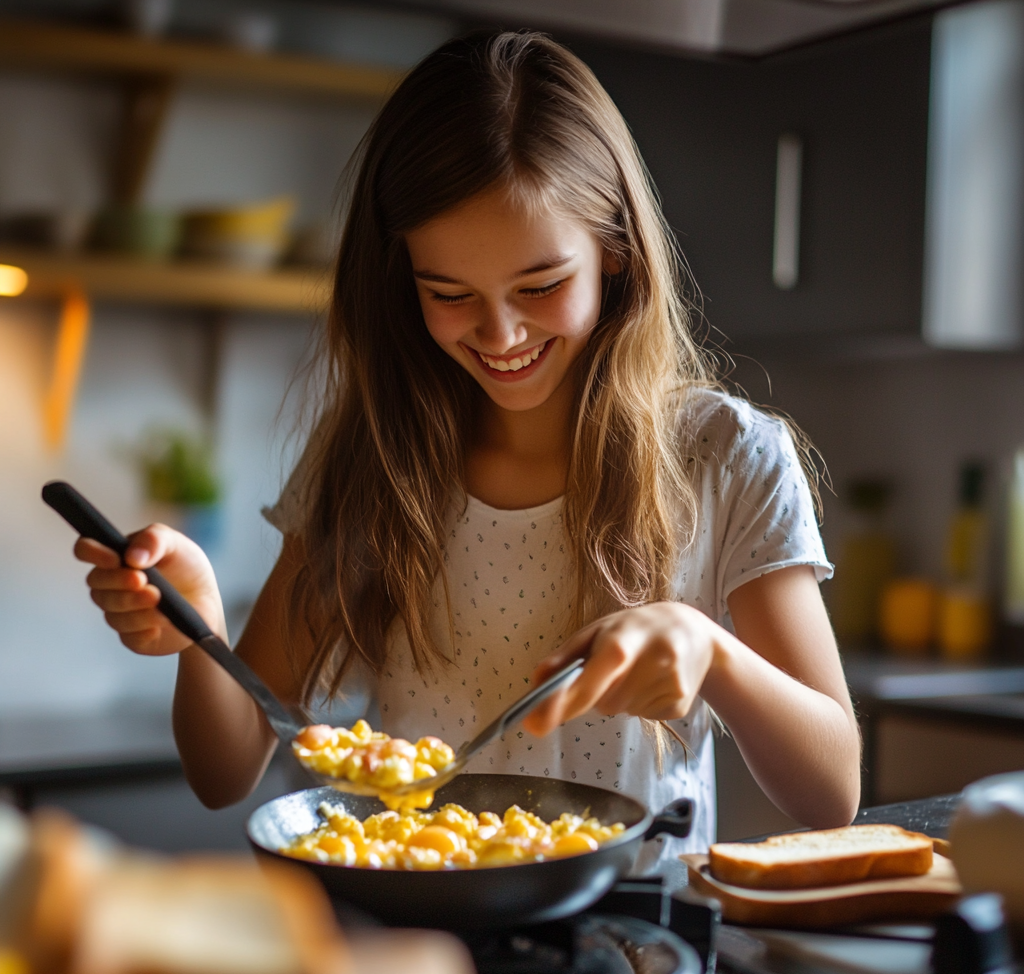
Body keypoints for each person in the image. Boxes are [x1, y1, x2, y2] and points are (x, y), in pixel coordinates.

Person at [74, 31, 860, 870]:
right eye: (449, 294)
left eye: (541, 286)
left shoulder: (726, 457)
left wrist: (714, 658)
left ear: (617, 254)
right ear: (399, 277)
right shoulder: (373, 460)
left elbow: (831, 790)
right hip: (419, 946)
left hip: (637, 939)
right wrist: (201, 629)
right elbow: (223, 770)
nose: (502, 333)